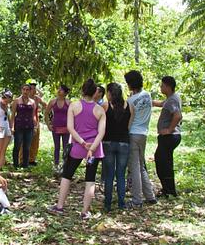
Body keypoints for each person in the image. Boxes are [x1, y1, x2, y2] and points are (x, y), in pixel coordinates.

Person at [48, 79, 106, 220]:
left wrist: (82, 142)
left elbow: (70, 128)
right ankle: (85, 212)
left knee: (67, 175)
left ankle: (59, 206)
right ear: (95, 93)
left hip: (78, 147)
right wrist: (91, 147)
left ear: (82, 91)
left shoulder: (74, 106)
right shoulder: (100, 110)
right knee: (90, 179)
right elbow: (101, 132)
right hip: (94, 149)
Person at [124, 70, 157, 208]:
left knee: (135, 167)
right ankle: (150, 196)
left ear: (131, 84)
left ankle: (137, 200)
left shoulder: (130, 101)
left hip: (133, 134)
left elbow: (128, 119)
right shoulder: (148, 95)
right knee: (141, 166)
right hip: (143, 133)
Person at [102, 82, 134, 211]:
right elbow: (129, 126)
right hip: (124, 143)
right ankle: (121, 203)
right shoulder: (129, 106)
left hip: (108, 142)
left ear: (110, 93)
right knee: (121, 174)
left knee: (109, 174)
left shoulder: (105, 106)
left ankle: (107, 204)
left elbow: (101, 125)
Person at [153, 76, 183, 197]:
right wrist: (148, 101)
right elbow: (161, 104)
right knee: (165, 162)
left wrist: (169, 130)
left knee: (162, 162)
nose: (161, 87)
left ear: (168, 87)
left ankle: (168, 189)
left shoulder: (172, 100)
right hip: (170, 137)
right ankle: (168, 189)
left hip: (170, 137)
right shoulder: (171, 98)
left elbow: (178, 115)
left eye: (162, 85)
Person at [11, 84, 37, 169]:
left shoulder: (32, 102)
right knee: (17, 145)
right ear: (21, 90)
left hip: (29, 126)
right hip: (19, 126)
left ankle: (25, 165)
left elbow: (33, 115)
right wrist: (12, 127)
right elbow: (13, 114)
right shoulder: (17, 101)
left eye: (27, 90)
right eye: (24, 89)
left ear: (30, 91)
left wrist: (35, 126)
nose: (25, 91)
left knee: (27, 147)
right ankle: (15, 164)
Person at [46, 85, 71, 173]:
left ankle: (65, 165)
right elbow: (46, 113)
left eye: (61, 90)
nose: (59, 91)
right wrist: (48, 124)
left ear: (65, 93)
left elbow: (73, 115)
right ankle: (56, 165)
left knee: (65, 147)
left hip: (66, 128)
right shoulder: (53, 102)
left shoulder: (68, 102)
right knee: (57, 147)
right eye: (59, 89)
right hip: (55, 127)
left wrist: (71, 126)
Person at [28, 81, 46, 166]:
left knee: (35, 141)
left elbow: (45, 105)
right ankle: (22, 159)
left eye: (35, 88)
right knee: (25, 141)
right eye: (32, 88)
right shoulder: (24, 98)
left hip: (36, 121)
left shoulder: (37, 98)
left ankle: (32, 159)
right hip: (26, 122)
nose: (34, 90)